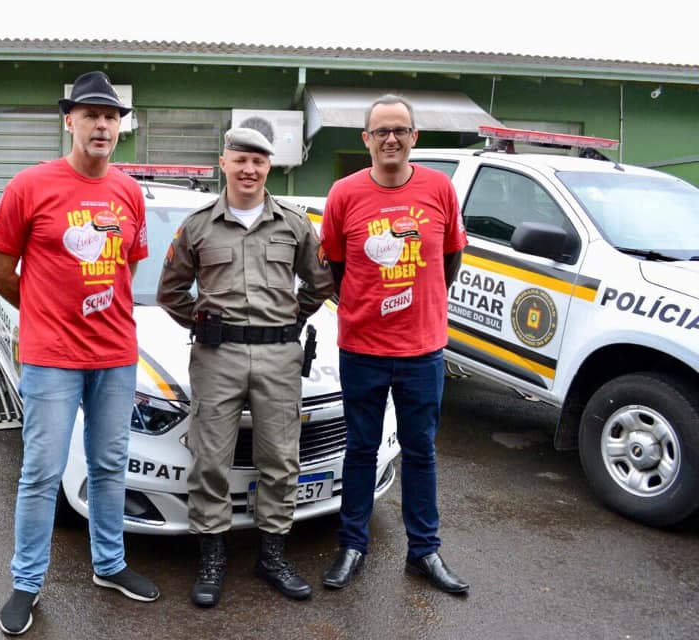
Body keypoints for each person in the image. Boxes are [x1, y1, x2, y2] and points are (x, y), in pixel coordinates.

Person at [0, 70, 159, 636]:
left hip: (115, 354)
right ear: (70, 121)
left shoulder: (129, 191)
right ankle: (27, 583)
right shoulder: (30, 186)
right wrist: (43, 309)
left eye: (110, 116)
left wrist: (97, 305)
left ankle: (109, 565)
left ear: (119, 128)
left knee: (110, 467)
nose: (102, 124)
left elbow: (127, 266)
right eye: (90, 114)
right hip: (51, 356)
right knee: (41, 473)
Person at [157, 127, 334, 607]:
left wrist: (291, 319)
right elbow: (170, 291)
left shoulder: (294, 225)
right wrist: (203, 323)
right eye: (241, 160)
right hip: (217, 357)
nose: (249, 169)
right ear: (224, 163)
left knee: (279, 458)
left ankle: (271, 555)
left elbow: (319, 283)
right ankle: (213, 558)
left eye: (258, 161)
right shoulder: (197, 226)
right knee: (211, 459)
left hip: (280, 356)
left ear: (268, 166)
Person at [318, 95, 470, 595]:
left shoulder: (439, 189)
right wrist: (367, 305)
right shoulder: (344, 194)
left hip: (422, 350)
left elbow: (450, 260)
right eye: (380, 131)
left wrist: (419, 302)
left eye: (400, 130)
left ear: (414, 137)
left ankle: (423, 552)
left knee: (420, 450)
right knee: (360, 448)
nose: (390, 139)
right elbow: (335, 267)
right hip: (362, 347)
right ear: (365, 139)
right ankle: (353, 544)